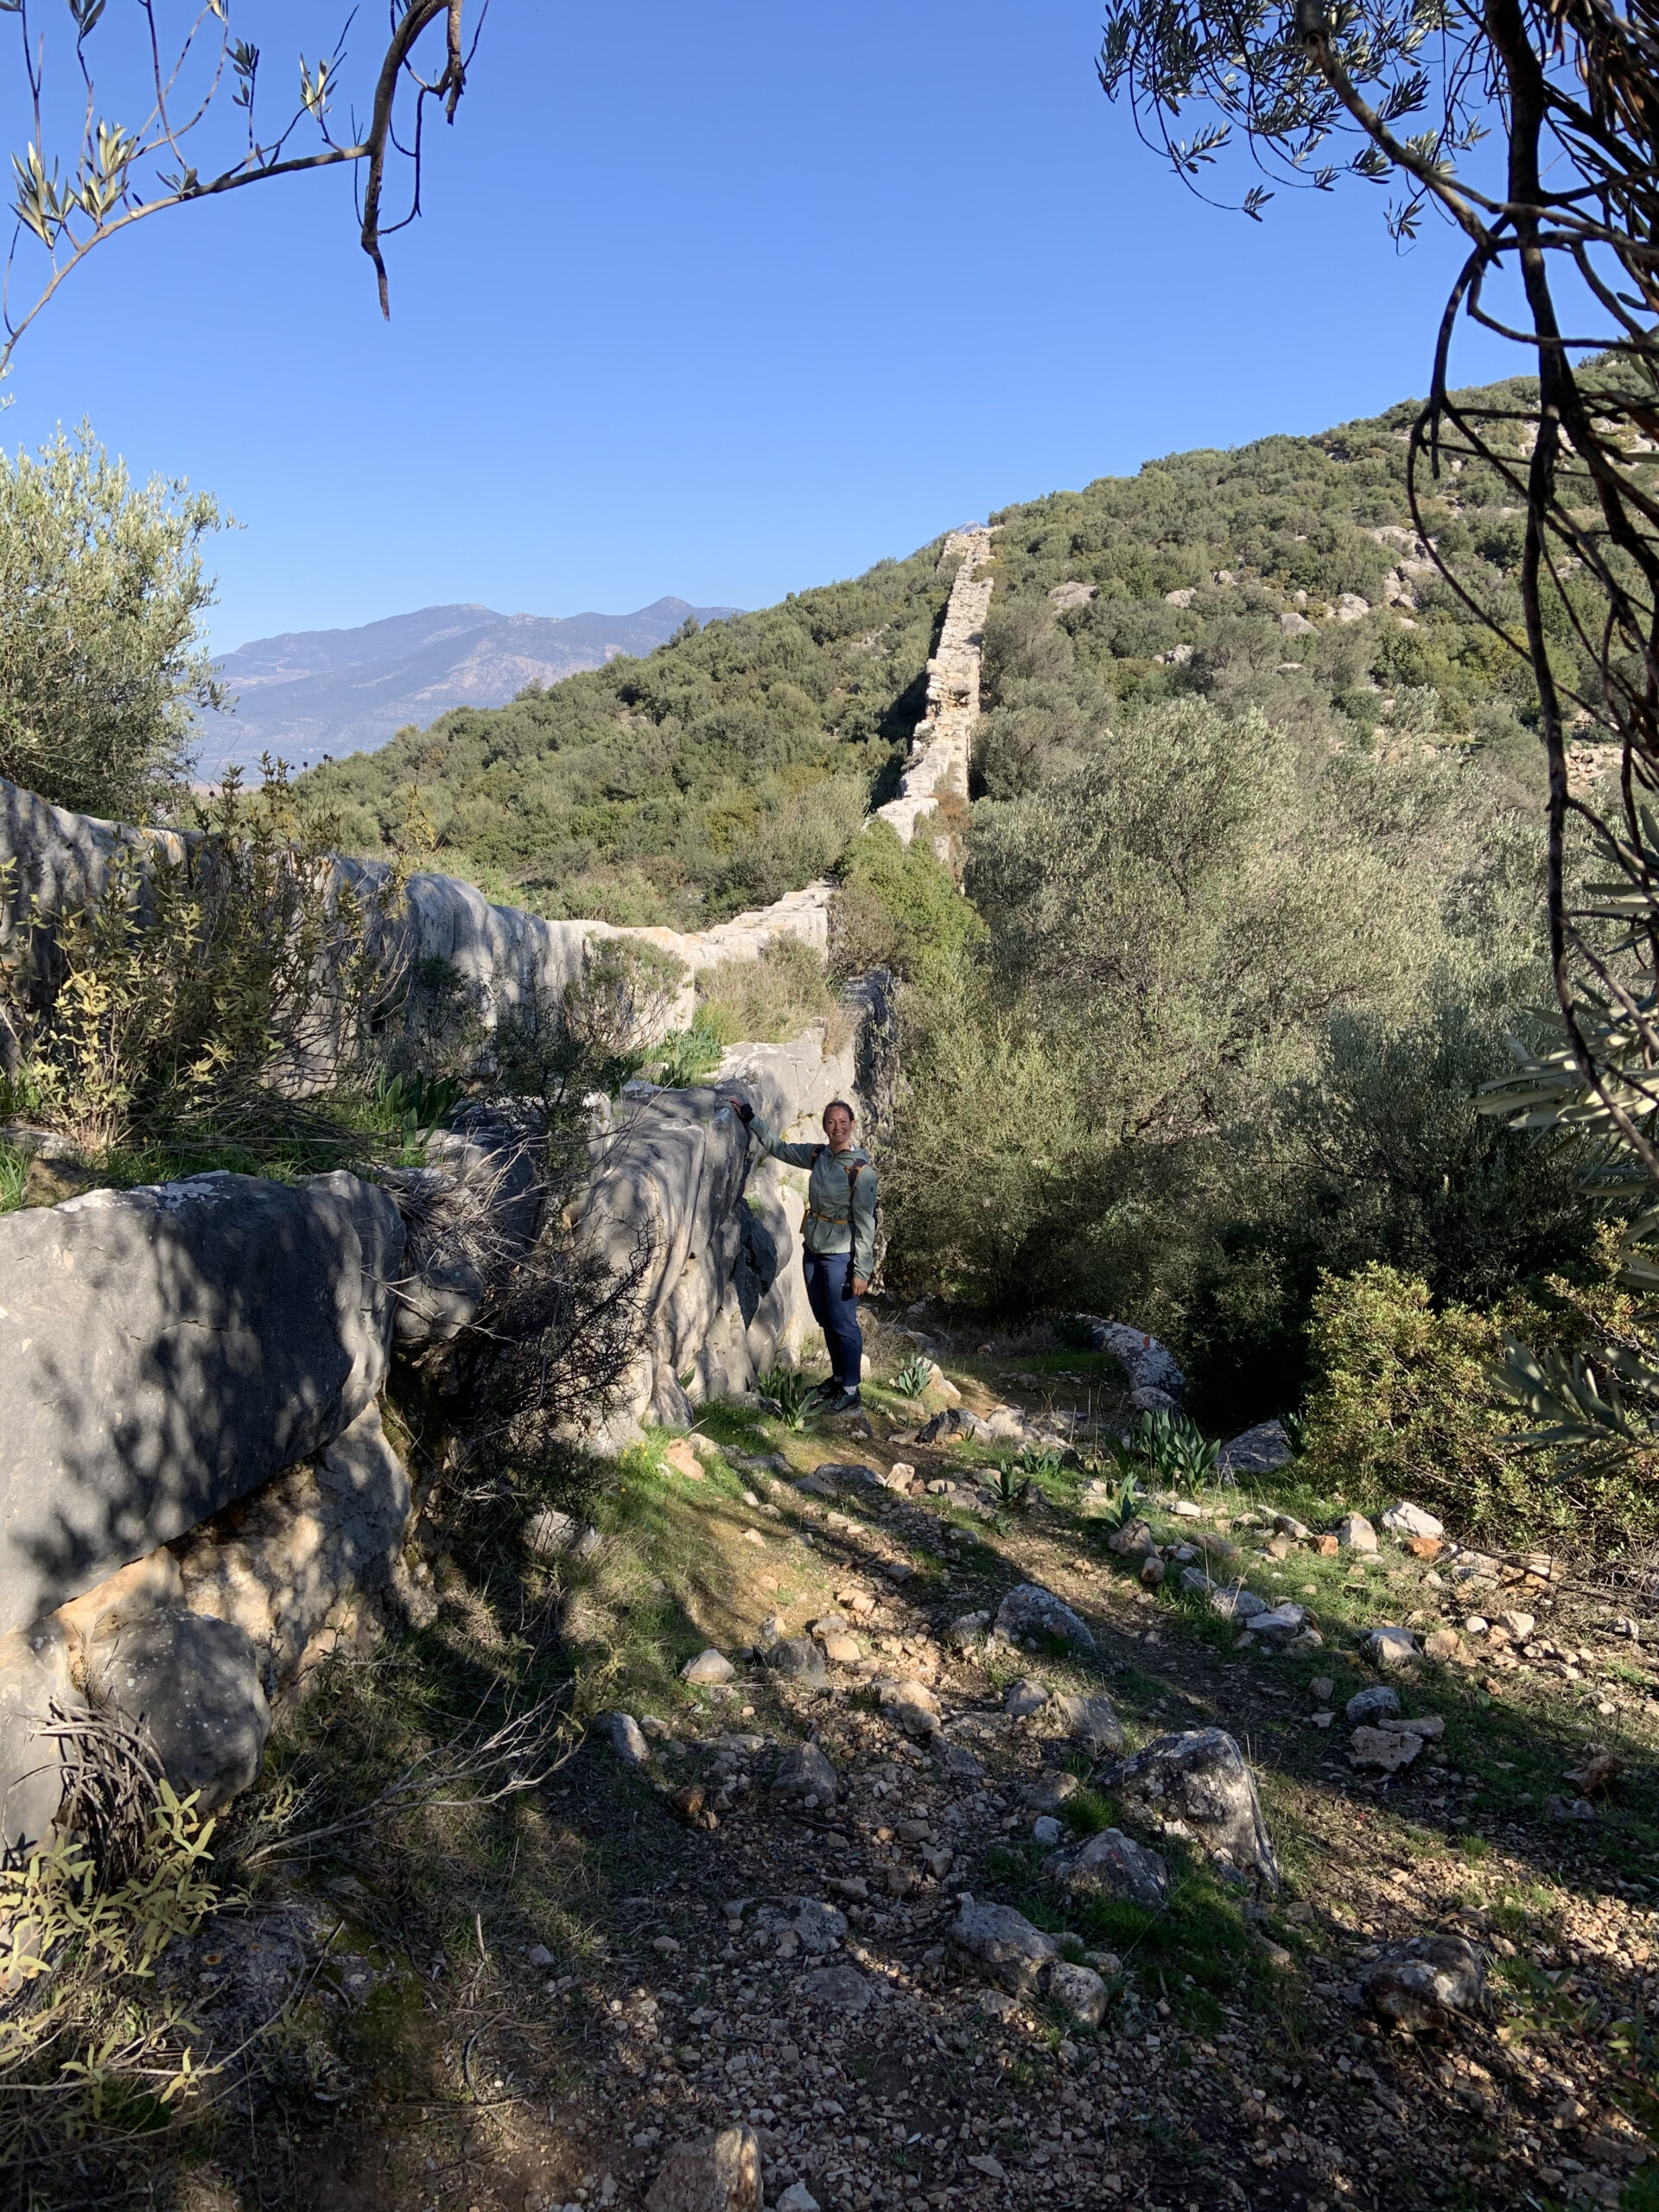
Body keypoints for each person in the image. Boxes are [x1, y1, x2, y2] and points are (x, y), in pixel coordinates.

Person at [725, 1092, 875, 1412]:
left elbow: (866, 1225)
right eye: (832, 1122)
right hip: (814, 1249)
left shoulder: (861, 1172)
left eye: (843, 1122)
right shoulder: (819, 1155)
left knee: (843, 1321)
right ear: (824, 1126)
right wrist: (750, 1117)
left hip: (841, 1256)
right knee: (825, 1317)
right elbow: (780, 1148)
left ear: (852, 1125)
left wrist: (862, 1271)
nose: (838, 1127)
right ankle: (837, 1380)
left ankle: (851, 1389)